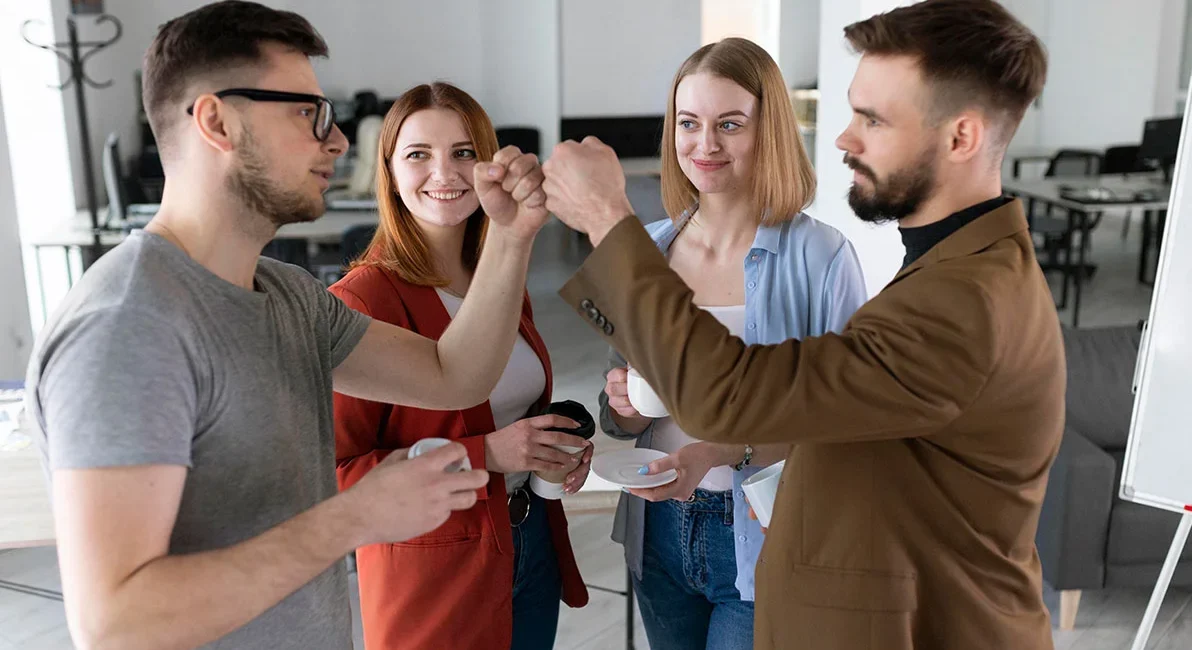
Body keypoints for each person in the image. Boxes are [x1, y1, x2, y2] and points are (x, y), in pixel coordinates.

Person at [22, 3, 549, 649]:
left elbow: (455, 375)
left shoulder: (289, 295)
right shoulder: (128, 326)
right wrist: (353, 517)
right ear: (217, 122)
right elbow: (115, 623)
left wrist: (511, 235)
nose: (338, 141)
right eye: (307, 113)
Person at [543, 1, 1064, 648]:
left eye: (873, 119)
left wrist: (606, 219)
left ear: (961, 138)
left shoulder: (960, 304)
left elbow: (725, 395)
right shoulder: (956, 271)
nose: (845, 138)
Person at [595, 38, 867, 650]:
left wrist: (725, 450)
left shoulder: (822, 257)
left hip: (766, 533)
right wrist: (624, 406)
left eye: (730, 124)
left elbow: (851, 421)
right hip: (657, 528)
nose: (705, 145)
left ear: (768, 130)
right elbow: (617, 414)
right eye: (689, 123)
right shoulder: (646, 251)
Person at [330, 82, 591, 650]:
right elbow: (334, 476)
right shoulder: (362, 301)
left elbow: (510, 407)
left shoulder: (498, 280)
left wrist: (551, 448)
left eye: (464, 152)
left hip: (528, 543)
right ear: (388, 171)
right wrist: (486, 455)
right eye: (418, 154)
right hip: (434, 576)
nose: (444, 173)